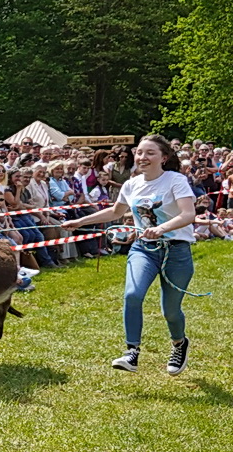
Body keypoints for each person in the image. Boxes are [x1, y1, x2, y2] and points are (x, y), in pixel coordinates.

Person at [60, 135, 198, 375]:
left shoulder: (175, 180)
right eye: (140, 153)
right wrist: (80, 221)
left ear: (164, 158)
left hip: (176, 250)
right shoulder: (131, 184)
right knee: (133, 295)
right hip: (144, 249)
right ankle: (131, 352)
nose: (143, 157)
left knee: (171, 310)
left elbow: (188, 214)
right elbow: (115, 212)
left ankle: (179, 343)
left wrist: (162, 228)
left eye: (150, 153)